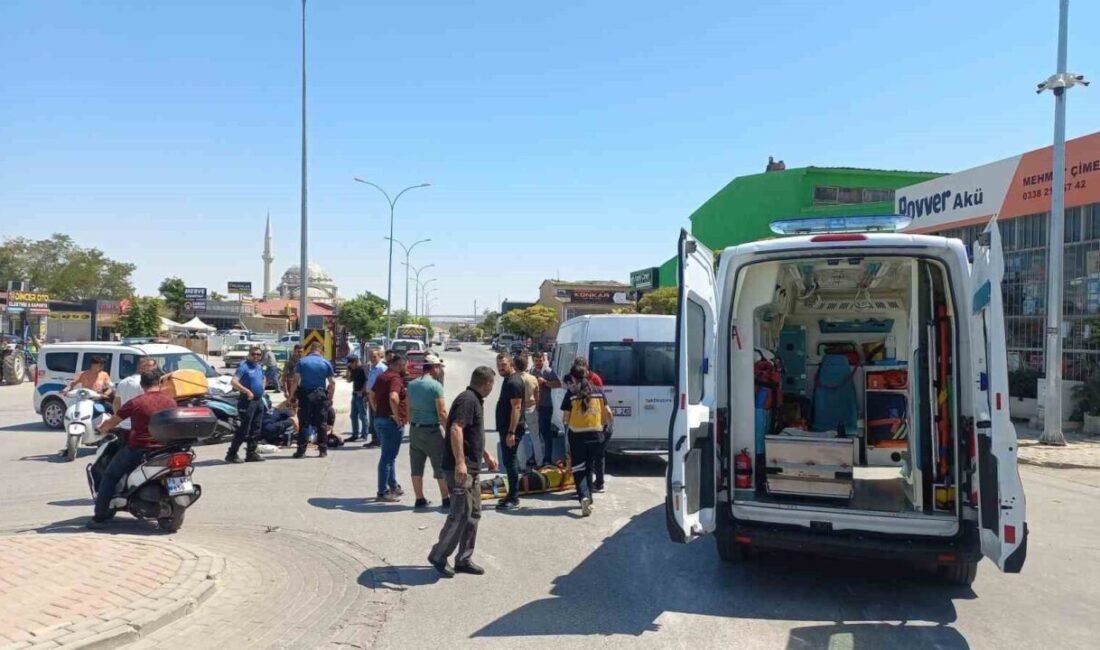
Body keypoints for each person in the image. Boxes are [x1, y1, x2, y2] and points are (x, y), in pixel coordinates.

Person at [428, 366, 498, 577]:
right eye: (491, 385)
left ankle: (463, 559)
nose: (492, 388)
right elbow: (456, 428)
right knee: (460, 514)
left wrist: (485, 454)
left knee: (474, 513)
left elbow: (470, 433)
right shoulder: (468, 400)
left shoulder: (475, 399)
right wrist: (460, 462)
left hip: (473, 468)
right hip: (460, 470)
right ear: (486, 384)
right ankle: (439, 555)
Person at [87, 369, 174, 528]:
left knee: (110, 476)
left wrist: (101, 428)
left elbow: (113, 421)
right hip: (165, 449)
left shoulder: (136, 402)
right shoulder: (170, 401)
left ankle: (99, 517)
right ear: (160, 383)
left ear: (142, 385)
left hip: (139, 449)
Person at [561, 366, 613, 517]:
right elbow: (609, 413)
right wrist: (606, 427)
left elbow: (565, 418)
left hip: (577, 436)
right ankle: (589, 499)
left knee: (579, 469)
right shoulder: (598, 391)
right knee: (589, 467)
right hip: (597, 435)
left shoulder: (571, 394)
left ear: (573, 377)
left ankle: (583, 496)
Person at [406, 354, 450, 509]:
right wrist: (449, 431)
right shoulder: (436, 386)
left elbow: (409, 408)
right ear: (434, 367)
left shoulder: (411, 385)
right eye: (439, 367)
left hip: (415, 430)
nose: (440, 370)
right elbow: (442, 412)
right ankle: (446, 498)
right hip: (432, 431)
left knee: (416, 466)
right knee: (439, 465)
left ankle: (419, 498)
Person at [372, 353, 408, 501]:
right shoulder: (395, 378)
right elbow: (393, 397)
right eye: (405, 366)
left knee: (389, 455)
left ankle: (393, 485)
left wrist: (377, 409)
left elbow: (371, 394)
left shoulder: (383, 376)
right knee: (387, 458)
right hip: (390, 422)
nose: (406, 369)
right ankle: (382, 492)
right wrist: (397, 415)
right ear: (400, 365)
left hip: (380, 419)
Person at [494, 353, 526, 511]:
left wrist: (511, 432)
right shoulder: (508, 380)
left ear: (511, 364)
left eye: (504, 365)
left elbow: (517, 407)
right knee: (508, 462)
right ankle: (510, 494)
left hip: (511, 429)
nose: (501, 368)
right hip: (506, 428)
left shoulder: (514, 382)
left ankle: (514, 497)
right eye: (499, 365)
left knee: (511, 462)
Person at [293, 342, 336, 458]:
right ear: (321, 350)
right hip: (320, 396)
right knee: (321, 424)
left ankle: (301, 451)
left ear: (310, 349)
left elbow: (295, 381)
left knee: (304, 424)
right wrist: (330, 398)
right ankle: (323, 450)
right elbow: (332, 383)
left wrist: (291, 396)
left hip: (305, 395)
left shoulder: (302, 362)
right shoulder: (326, 362)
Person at [227, 345, 267, 463]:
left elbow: (263, 378)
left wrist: (262, 388)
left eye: (258, 354)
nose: (256, 356)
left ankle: (251, 453)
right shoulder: (244, 367)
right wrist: (247, 391)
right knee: (244, 429)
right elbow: (233, 381)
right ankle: (231, 454)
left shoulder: (259, 366)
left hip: (258, 400)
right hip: (246, 401)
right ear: (249, 355)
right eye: (253, 354)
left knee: (256, 428)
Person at [531, 351, 562, 464]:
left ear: (543, 360)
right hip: (534, 407)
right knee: (535, 433)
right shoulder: (531, 371)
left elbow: (558, 384)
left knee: (546, 433)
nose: (538, 363)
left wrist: (544, 382)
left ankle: (547, 458)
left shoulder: (548, 371)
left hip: (546, 406)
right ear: (533, 360)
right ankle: (535, 456)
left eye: (540, 361)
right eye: (536, 361)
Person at [113, 356, 158, 432]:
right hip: (139, 427)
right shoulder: (144, 384)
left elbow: (116, 403)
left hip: (124, 426)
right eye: (152, 366)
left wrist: (120, 420)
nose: (155, 369)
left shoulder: (123, 382)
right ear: (142, 367)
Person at [515, 353, 542, 468]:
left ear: (515, 366)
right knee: (535, 437)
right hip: (531, 409)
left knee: (519, 438)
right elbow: (537, 397)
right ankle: (539, 462)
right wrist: (537, 408)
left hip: (519, 410)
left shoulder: (514, 379)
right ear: (526, 366)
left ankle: (522, 465)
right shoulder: (533, 378)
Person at [362, 349, 388, 448]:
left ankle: (380, 440)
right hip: (370, 396)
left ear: (379, 356)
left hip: (378, 397)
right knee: (372, 419)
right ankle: (374, 439)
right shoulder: (372, 368)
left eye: (374, 356)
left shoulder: (382, 368)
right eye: (371, 356)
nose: (372, 358)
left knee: (378, 419)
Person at [345, 355, 368, 442]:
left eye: (350, 363)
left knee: (362, 415)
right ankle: (355, 434)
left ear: (355, 362)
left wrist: (362, 391)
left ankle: (364, 434)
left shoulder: (363, 369)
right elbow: (348, 380)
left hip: (361, 395)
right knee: (353, 415)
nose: (350, 365)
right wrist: (348, 370)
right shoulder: (353, 370)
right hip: (354, 394)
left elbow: (366, 381)